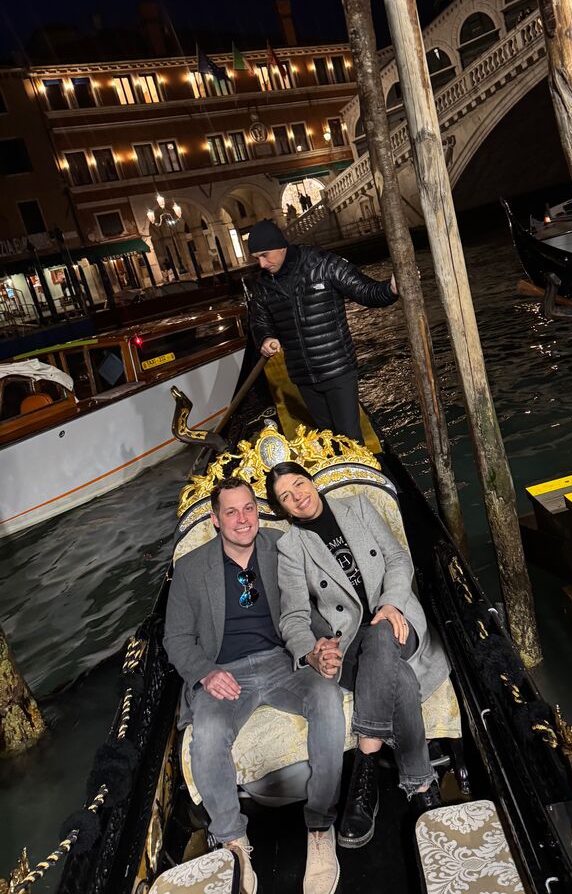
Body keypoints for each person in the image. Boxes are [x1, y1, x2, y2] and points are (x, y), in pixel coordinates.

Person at [164, 477, 346, 894]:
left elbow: (313, 604)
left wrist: (321, 645)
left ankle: (320, 828)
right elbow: (175, 639)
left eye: (248, 508)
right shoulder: (191, 569)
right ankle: (234, 842)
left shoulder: (282, 545)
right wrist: (207, 672)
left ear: (257, 511)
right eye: (231, 511)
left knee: (327, 698)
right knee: (206, 735)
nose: (242, 519)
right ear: (215, 520)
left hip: (284, 661)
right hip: (224, 672)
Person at [265, 462, 450, 850]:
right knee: (393, 669)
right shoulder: (291, 547)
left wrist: (391, 604)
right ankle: (419, 781)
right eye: (286, 496)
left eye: (300, 483)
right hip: (349, 644)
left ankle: (364, 771)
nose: (298, 495)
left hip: (398, 620)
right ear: (284, 510)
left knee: (383, 635)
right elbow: (294, 616)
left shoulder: (360, 507)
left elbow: (399, 561)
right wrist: (309, 653)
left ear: (311, 482)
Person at [247, 220, 398, 442]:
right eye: (257, 258)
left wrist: (392, 289)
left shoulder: (323, 263)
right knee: (328, 438)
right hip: (303, 376)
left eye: (265, 255)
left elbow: (365, 291)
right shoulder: (262, 286)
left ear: (281, 247)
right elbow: (260, 321)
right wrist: (266, 337)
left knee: (350, 438)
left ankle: (361, 475)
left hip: (337, 368)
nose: (261, 264)